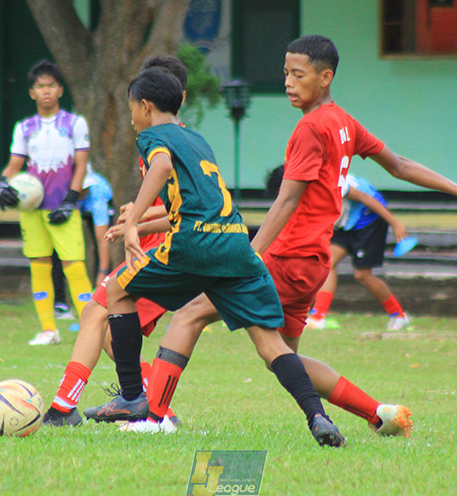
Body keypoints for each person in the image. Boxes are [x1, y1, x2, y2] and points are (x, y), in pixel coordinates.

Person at [133, 35, 457, 439]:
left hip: (285, 256)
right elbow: (399, 164)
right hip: (314, 263)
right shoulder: (343, 122)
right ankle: (378, 414)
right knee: (283, 357)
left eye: (298, 74)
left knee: (190, 314)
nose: (289, 82)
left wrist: (249, 255)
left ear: (325, 78)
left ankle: (154, 417)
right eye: (286, 73)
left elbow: (287, 199)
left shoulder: (310, 128)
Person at [102, 66, 345, 446]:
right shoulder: (196, 139)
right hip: (235, 246)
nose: (131, 117)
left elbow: (161, 167)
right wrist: (142, 227)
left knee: (117, 290)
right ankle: (318, 417)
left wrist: (133, 221)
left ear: (145, 106)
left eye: (131, 108)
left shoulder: (152, 137)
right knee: (270, 344)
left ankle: (132, 396)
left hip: (193, 246)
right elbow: (195, 206)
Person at [42, 54, 188, 428]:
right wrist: (139, 212)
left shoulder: (169, 141)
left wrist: (139, 218)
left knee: (97, 311)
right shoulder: (164, 139)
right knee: (111, 333)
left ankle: (64, 408)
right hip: (155, 245)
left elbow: (187, 204)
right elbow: (173, 198)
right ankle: (153, 408)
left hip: (166, 250)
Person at [0, 60, 92, 346]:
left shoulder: (75, 123)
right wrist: (2, 183)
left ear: (60, 90)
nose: (46, 91)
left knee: (74, 265)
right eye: (40, 86)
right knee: (39, 264)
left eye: (51, 85)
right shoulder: (24, 127)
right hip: (32, 209)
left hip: (64, 207)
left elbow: (81, 165)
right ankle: (49, 330)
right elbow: (14, 165)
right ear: (32, 92)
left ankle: (92, 329)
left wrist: (70, 200)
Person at [300, 171, 412, 332]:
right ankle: (318, 317)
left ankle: (399, 316)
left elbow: (365, 198)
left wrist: (395, 223)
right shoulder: (302, 189)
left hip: (369, 221)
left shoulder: (332, 184)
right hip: (347, 222)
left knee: (362, 275)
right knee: (327, 263)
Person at [50, 164, 116, 318]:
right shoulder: (60, 189)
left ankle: (104, 299)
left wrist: (102, 273)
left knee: (100, 248)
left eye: (83, 188)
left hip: (97, 204)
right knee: (57, 249)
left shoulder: (97, 192)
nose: (81, 191)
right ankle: (60, 303)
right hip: (70, 204)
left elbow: (103, 239)